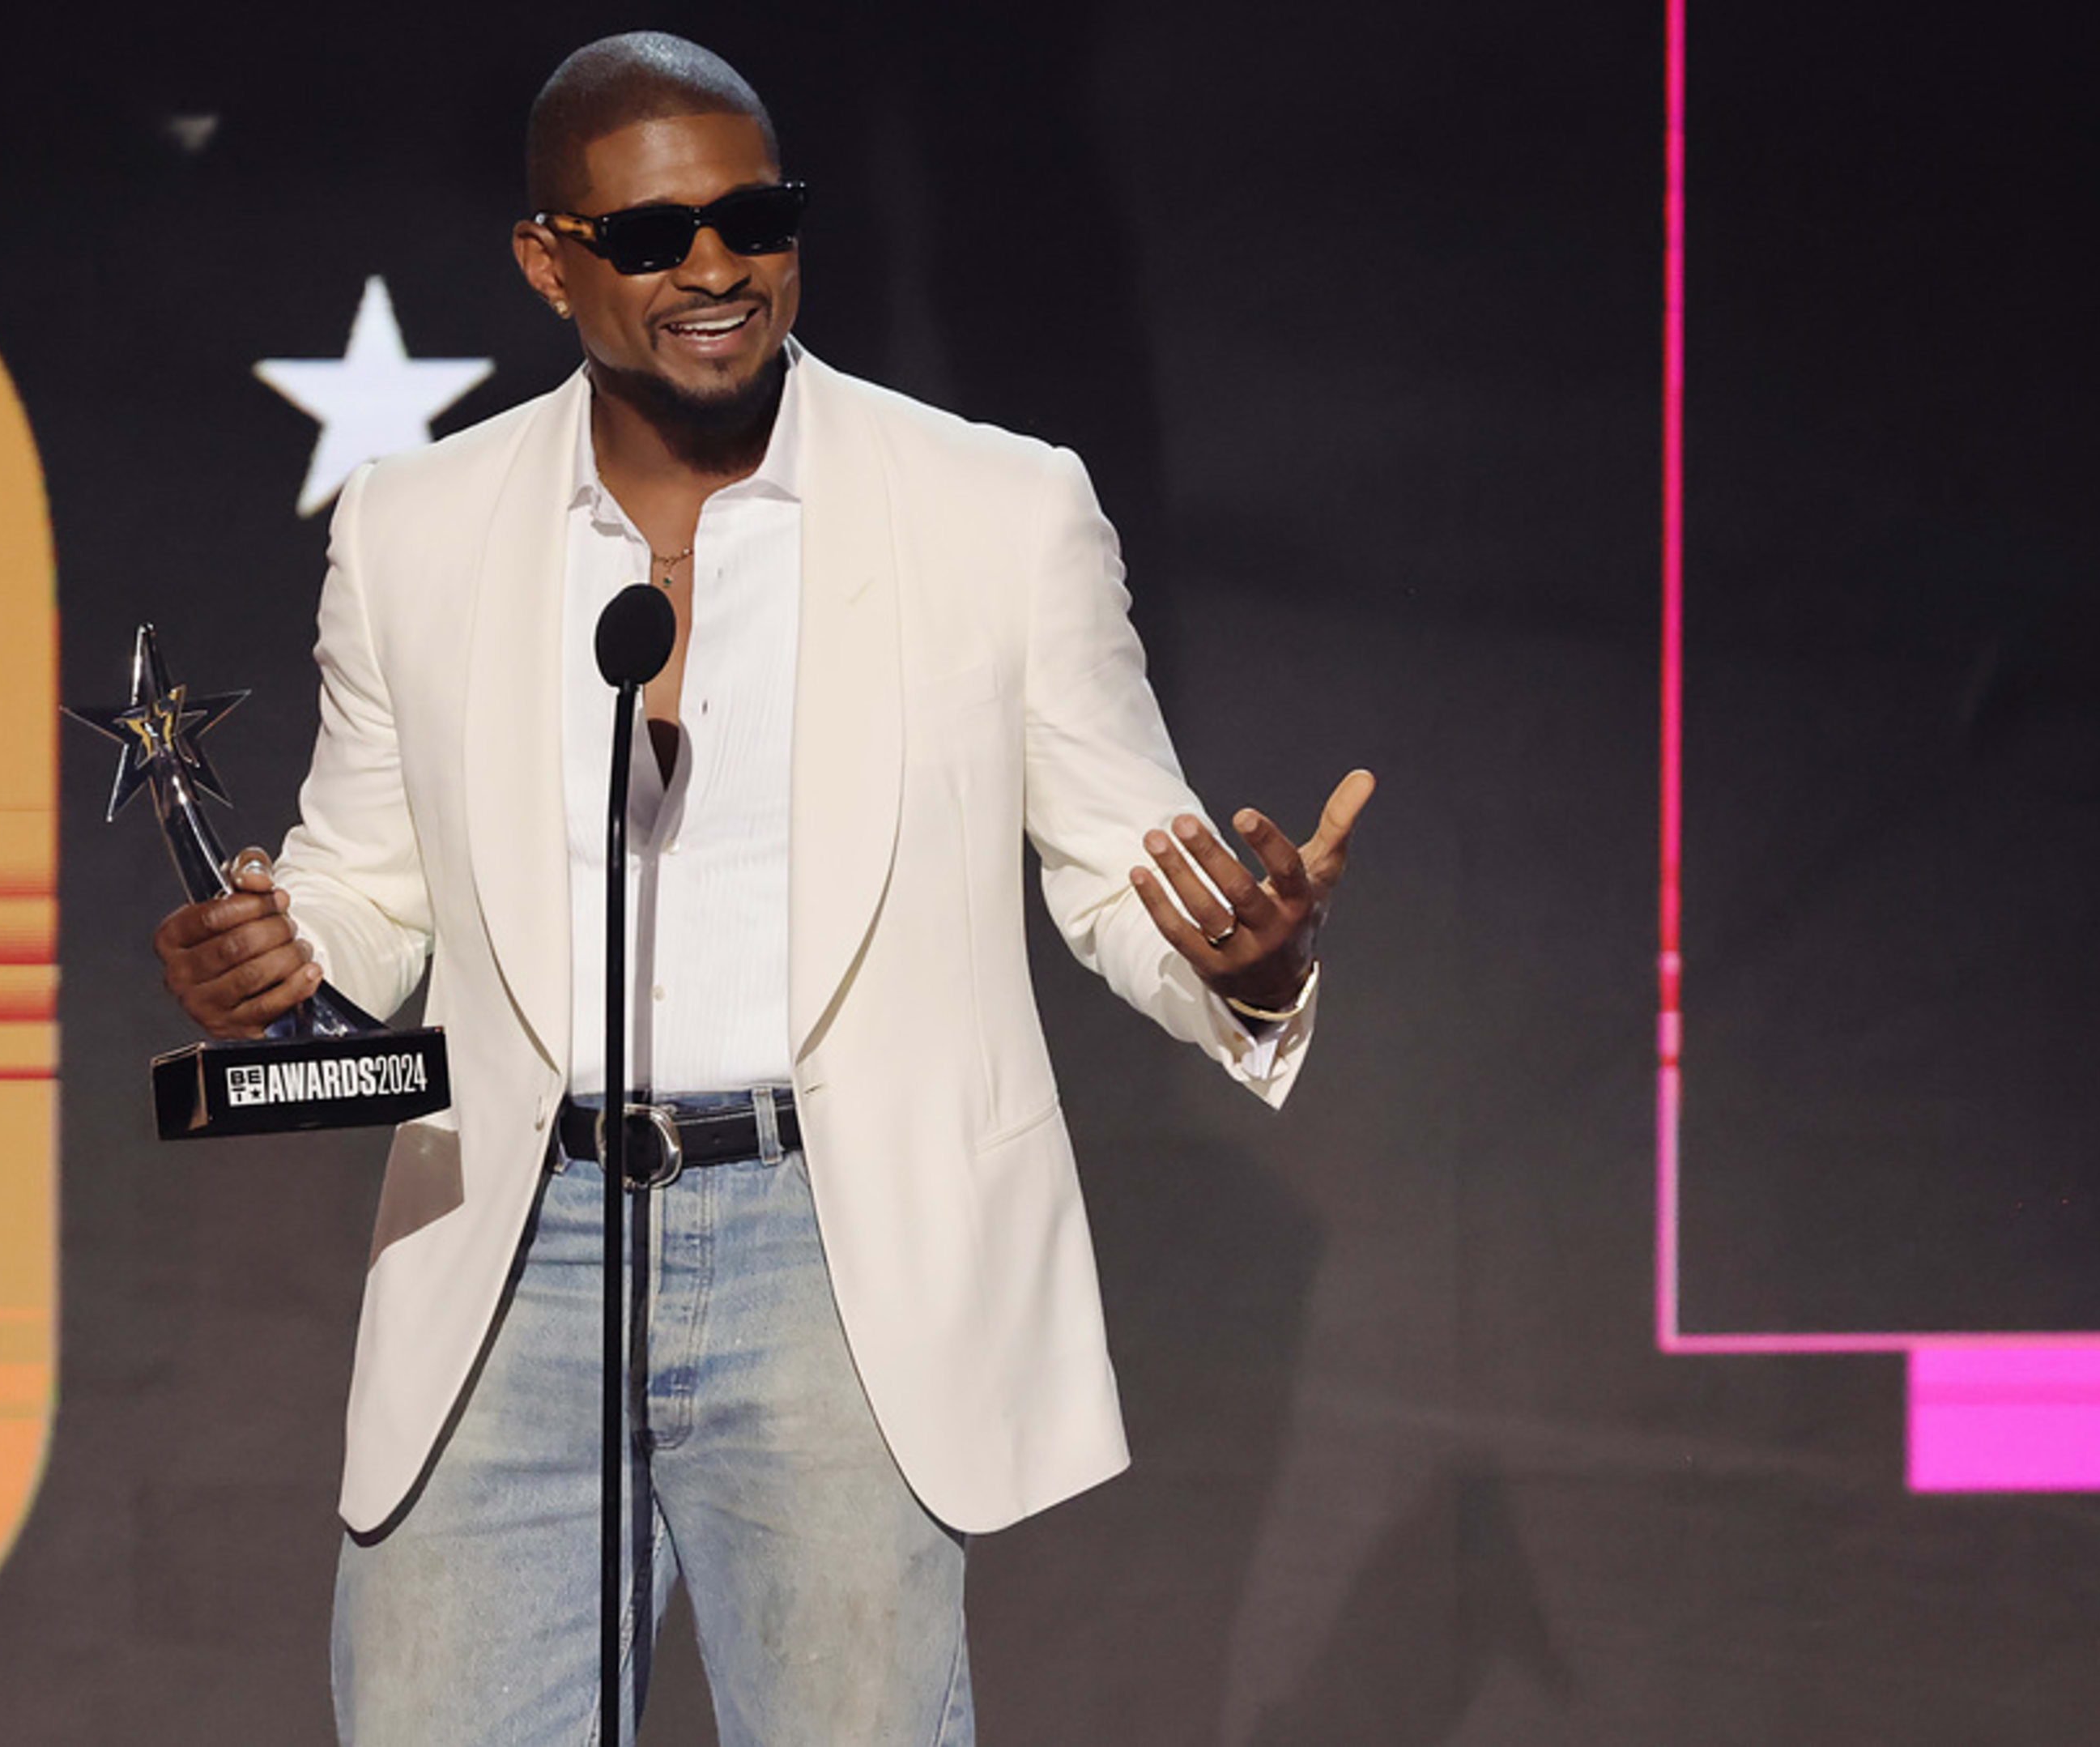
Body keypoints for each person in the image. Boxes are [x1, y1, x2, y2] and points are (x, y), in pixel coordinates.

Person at [155, 31, 1374, 1745]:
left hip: (833, 1251)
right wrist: (278, 959)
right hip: (511, 1255)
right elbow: (370, 889)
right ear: (547, 260)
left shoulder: (996, 509)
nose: (715, 266)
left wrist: (1245, 963)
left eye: (756, 216)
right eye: (652, 237)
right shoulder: (414, 526)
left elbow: (1124, 869)